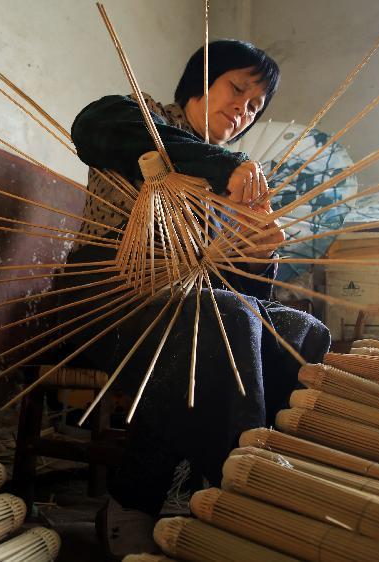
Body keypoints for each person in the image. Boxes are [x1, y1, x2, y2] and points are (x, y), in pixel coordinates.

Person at [60, 40, 330, 559]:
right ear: (200, 81)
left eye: (255, 106)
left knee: (299, 331)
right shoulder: (143, 121)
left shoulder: (239, 187)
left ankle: (235, 483)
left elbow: (244, 300)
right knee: (211, 318)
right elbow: (92, 123)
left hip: (192, 307)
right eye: (236, 89)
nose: (242, 110)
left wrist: (258, 259)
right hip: (106, 291)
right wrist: (220, 164)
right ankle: (149, 501)